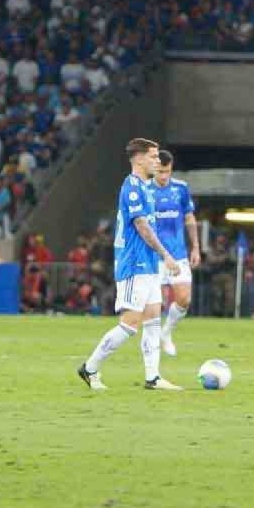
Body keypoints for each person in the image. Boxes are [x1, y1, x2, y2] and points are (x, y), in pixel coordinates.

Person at [78, 138, 182, 391]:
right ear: (138, 158)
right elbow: (141, 226)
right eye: (153, 156)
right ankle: (89, 368)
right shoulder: (132, 187)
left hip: (148, 263)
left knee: (153, 318)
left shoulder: (146, 188)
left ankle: (153, 377)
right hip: (134, 263)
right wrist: (166, 255)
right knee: (130, 324)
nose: (157, 161)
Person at [153, 150, 200, 356]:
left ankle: (166, 333)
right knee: (155, 304)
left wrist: (196, 247)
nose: (164, 177)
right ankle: (152, 344)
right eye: (161, 172)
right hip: (153, 255)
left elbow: (189, 218)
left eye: (168, 172)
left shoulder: (181, 188)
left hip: (178, 254)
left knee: (184, 299)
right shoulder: (144, 190)